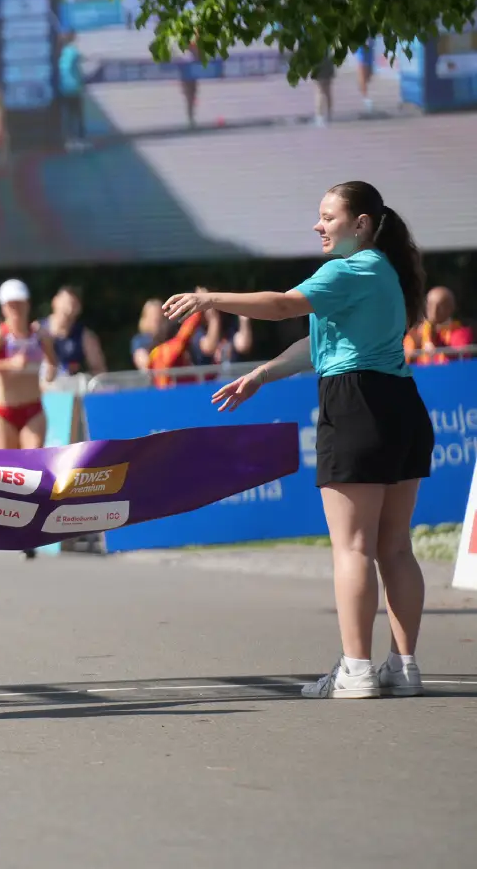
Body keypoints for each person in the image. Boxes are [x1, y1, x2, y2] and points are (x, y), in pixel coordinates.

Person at [163, 180, 432, 700]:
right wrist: (263, 373)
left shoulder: (348, 268)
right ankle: (404, 667)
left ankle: (355, 670)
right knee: (395, 546)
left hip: (359, 406)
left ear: (360, 224)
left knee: (353, 547)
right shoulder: (384, 272)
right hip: (401, 405)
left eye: (327, 216)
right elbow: (320, 339)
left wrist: (208, 298)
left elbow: (284, 306)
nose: (318, 225)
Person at [0, 279, 58, 559]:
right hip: (3, 412)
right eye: (10, 305)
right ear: (4, 307)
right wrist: (6, 365)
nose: (15, 309)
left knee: (33, 466)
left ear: (27, 305)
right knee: (9, 472)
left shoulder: (39, 335)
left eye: (19, 304)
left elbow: (53, 362)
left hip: (32, 409)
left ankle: (29, 532)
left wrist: (51, 372)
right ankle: (9, 525)